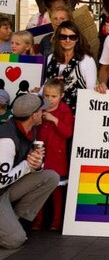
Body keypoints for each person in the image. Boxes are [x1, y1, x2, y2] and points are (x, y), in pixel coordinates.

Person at [0, 93, 58, 249]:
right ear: (33, 115)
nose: (44, 112)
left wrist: (36, 165)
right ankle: (9, 229)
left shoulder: (30, 130)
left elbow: (30, 166)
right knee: (15, 241)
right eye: (41, 110)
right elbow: (1, 181)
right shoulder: (7, 141)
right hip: (1, 188)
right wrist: (27, 165)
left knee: (51, 177)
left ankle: (15, 221)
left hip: (7, 190)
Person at [31, 79, 74, 231]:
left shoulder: (64, 111)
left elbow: (68, 132)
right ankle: (38, 220)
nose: (49, 99)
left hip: (57, 157)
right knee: (38, 189)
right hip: (41, 155)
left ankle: (56, 221)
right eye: (47, 95)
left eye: (53, 96)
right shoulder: (39, 108)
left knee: (56, 192)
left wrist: (54, 119)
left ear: (61, 95)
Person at [44, 21, 97, 113]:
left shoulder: (87, 60)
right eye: (63, 37)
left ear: (77, 39)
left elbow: (90, 92)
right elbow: (46, 84)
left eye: (72, 37)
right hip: (50, 114)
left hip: (76, 114)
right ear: (58, 38)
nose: (67, 40)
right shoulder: (50, 58)